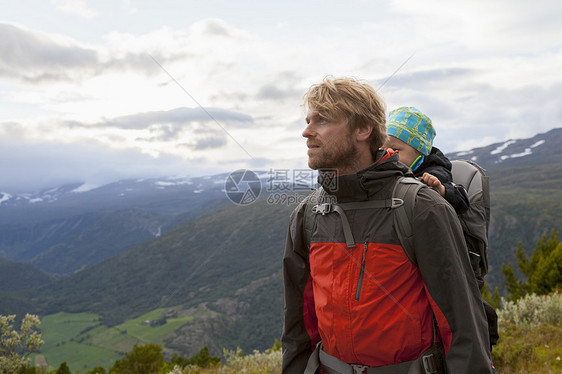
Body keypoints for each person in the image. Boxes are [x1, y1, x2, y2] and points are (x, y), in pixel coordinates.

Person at [281, 77, 494, 373]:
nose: (306, 132)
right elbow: (298, 327)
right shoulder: (308, 215)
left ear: (363, 129)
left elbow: (461, 327)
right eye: (308, 121)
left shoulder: (421, 207)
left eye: (323, 120)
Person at [384, 106, 470, 214]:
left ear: (419, 152)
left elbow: (462, 201)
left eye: (395, 149)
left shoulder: (435, 172)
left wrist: (441, 190)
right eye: (381, 149)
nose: (388, 154)